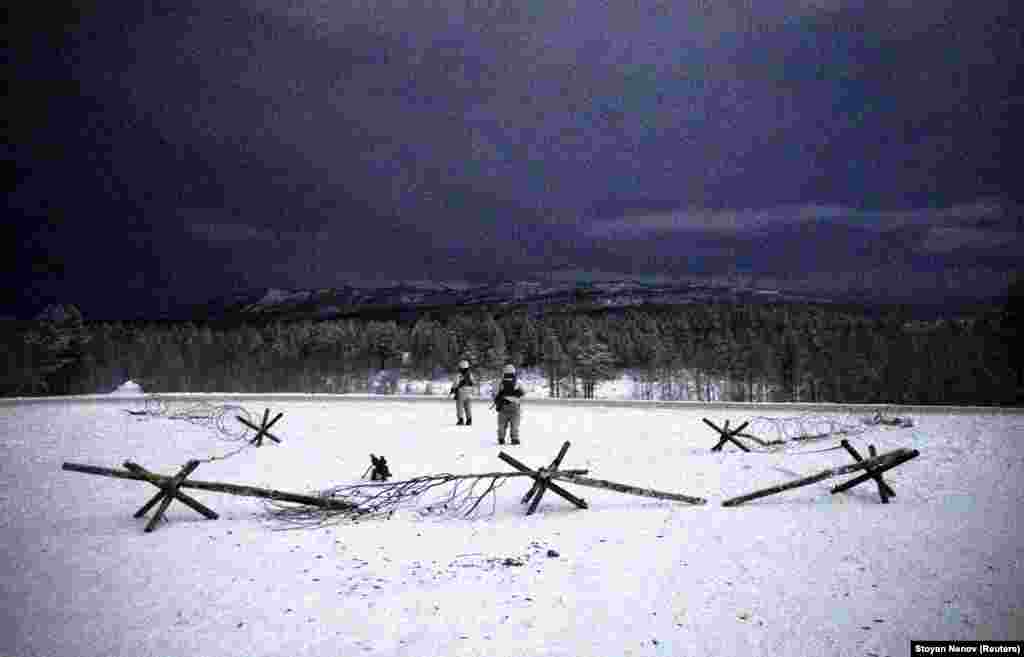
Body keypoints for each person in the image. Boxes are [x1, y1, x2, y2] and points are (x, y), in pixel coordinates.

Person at [493, 364, 525, 445]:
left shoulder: (500, 383)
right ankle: (514, 438)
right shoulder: (518, 382)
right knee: (514, 425)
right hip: (514, 407)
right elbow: (523, 392)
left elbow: (495, 393)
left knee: (502, 425)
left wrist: (500, 398)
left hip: (504, 407)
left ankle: (501, 438)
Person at [449, 360, 474, 426]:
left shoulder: (459, 375)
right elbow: (472, 383)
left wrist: (452, 390)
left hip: (461, 392)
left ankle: (461, 420)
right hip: (469, 392)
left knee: (459, 407)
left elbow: (455, 383)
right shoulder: (470, 374)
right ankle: (469, 420)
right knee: (468, 407)